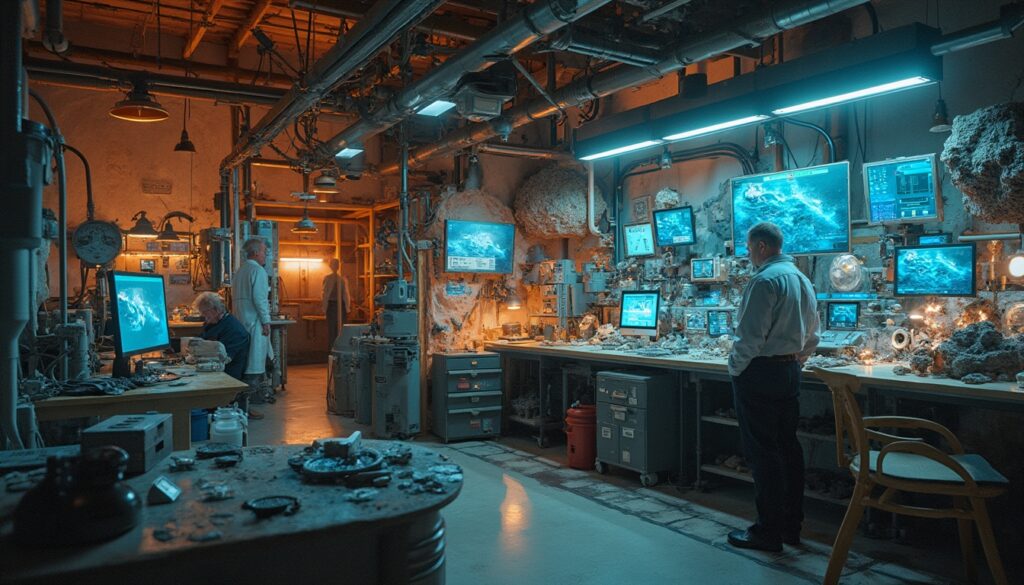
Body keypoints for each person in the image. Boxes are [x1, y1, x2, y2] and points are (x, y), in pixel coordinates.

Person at [726, 222, 819, 552]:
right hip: (790, 370)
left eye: (750, 249)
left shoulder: (764, 280)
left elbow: (750, 337)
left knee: (762, 453)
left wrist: (735, 370)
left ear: (762, 247)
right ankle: (791, 527)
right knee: (788, 449)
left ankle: (767, 532)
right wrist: (796, 361)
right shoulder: (802, 279)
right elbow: (813, 334)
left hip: (760, 372)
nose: (749, 255)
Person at [232, 237, 275, 417]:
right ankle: (243, 408)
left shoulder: (240, 270)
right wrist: (266, 321)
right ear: (256, 252)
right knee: (254, 367)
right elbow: (260, 299)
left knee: (244, 364)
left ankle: (242, 406)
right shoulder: (258, 270)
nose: (266, 255)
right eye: (264, 252)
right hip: (255, 324)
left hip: (242, 322)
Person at [193, 291, 249, 381]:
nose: (202, 315)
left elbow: (224, 359)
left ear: (216, 310)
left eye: (204, 312)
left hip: (227, 377)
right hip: (212, 371)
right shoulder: (212, 322)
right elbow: (201, 342)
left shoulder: (234, 330)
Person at [321, 257, 351, 352]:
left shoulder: (341, 279)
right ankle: (332, 350)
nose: (335, 266)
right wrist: (324, 308)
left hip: (340, 306)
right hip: (332, 305)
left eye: (336, 265)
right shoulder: (329, 279)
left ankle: (339, 349)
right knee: (332, 330)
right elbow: (325, 294)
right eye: (333, 265)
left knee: (341, 329)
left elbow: (346, 294)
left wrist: (347, 308)